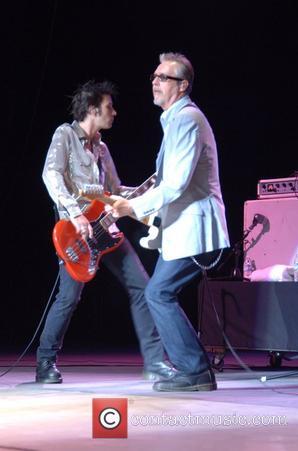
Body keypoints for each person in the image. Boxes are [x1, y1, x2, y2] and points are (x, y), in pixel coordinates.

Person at [36, 80, 175, 384]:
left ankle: (155, 362)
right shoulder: (65, 135)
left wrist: (148, 187)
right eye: (109, 107)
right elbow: (51, 175)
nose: (114, 112)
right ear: (92, 109)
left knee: (143, 287)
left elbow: (113, 191)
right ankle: (45, 360)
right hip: (75, 233)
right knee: (68, 298)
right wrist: (75, 214)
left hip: (106, 229)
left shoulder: (102, 147)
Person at [112, 52, 230, 392]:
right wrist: (127, 196)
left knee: (159, 293)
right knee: (159, 293)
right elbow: (166, 181)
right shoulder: (175, 121)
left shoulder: (187, 120)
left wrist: (129, 209)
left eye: (164, 77)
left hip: (196, 230)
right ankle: (194, 369)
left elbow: (176, 183)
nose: (155, 81)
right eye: (154, 76)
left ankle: (194, 370)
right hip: (181, 230)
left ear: (183, 86)